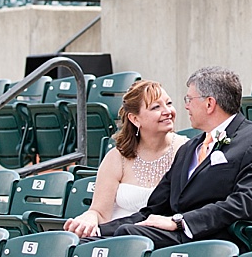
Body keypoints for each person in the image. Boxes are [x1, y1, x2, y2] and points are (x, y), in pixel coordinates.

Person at [64, 75, 252, 239]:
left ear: (209, 103)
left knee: (130, 238)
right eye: (156, 107)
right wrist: (98, 231)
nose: (183, 108)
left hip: (211, 236)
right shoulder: (190, 147)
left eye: (188, 100)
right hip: (170, 231)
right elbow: (153, 209)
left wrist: (179, 221)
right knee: (87, 242)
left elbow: (244, 203)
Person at [63, 80, 188, 238]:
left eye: (169, 103)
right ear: (135, 119)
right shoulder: (117, 157)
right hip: (114, 237)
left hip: (160, 240)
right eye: (156, 107)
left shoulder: (187, 150)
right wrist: (89, 217)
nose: (167, 111)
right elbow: (100, 212)